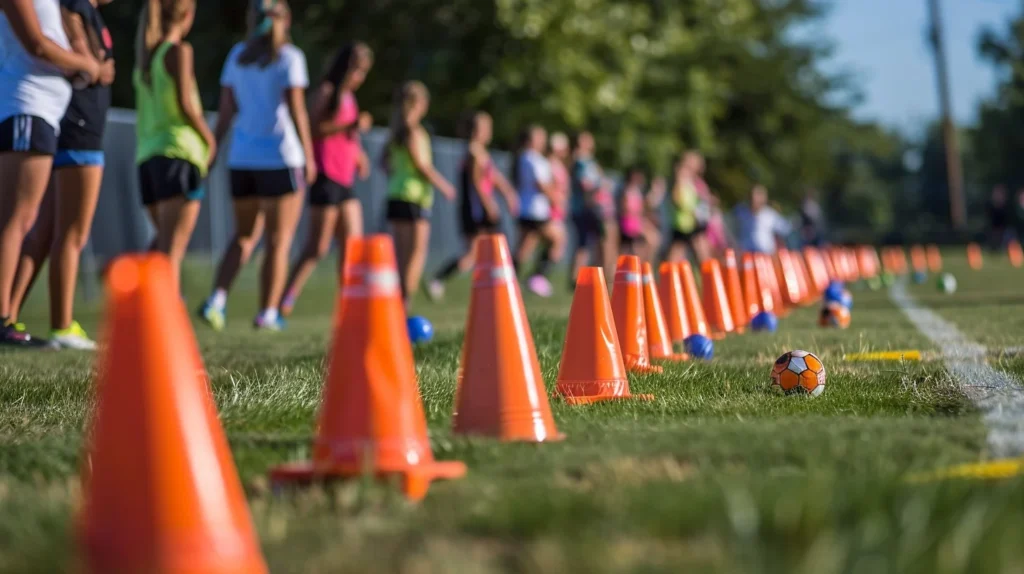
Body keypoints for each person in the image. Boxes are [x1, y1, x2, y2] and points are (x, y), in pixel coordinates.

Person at [199, 0, 314, 332]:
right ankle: (267, 313)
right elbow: (297, 110)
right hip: (281, 159)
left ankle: (217, 300)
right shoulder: (291, 58)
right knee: (279, 241)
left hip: (243, 160)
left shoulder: (236, 55)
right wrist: (309, 155)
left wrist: (214, 150)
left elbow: (224, 113)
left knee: (244, 235)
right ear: (286, 19)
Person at [7, 0, 115, 349]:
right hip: (36, 109)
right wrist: (88, 65)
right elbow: (39, 44)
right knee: (26, 221)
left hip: (49, 115)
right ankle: (22, 321)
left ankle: (7, 317)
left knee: (31, 224)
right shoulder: (67, 5)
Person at [278, 42, 373, 317]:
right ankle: (284, 300)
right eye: (357, 70)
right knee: (317, 247)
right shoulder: (326, 92)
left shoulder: (350, 100)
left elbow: (348, 139)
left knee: (353, 246)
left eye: (364, 72)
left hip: (345, 179)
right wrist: (349, 126)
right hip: (325, 175)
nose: (360, 77)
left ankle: (349, 307)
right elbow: (311, 128)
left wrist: (359, 156)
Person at [133, 0, 214, 298]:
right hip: (178, 154)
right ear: (187, 15)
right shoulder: (180, 51)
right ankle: (166, 329)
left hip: (148, 160)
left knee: (161, 247)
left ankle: (143, 311)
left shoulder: (146, 59)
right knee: (171, 253)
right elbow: (186, 104)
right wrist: (210, 138)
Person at [425, 110, 516, 300]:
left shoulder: (481, 152)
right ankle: (439, 279)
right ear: (478, 130)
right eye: (487, 127)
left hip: (480, 209)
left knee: (487, 250)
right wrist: (489, 204)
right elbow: (477, 183)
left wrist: (508, 193)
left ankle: (493, 288)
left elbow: (494, 178)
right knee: (474, 252)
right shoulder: (474, 152)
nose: (490, 132)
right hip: (476, 210)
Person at [383, 81, 455, 309]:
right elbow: (421, 165)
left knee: (401, 256)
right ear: (419, 103)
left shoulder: (395, 132)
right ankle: (405, 302)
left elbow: (385, 163)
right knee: (416, 255)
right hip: (414, 198)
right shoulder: (414, 132)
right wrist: (444, 186)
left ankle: (398, 303)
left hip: (395, 194)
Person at [512, 125, 559, 297]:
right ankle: (537, 277)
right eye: (540, 137)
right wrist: (555, 198)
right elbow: (541, 184)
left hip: (530, 209)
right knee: (557, 239)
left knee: (524, 249)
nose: (543, 140)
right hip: (534, 211)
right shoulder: (531, 158)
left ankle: (509, 282)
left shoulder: (528, 158)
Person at [568, 131, 604, 289]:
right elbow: (586, 184)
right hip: (584, 208)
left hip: (590, 208)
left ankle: (586, 276)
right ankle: (576, 278)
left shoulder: (589, 161)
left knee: (588, 244)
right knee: (584, 244)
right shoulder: (580, 161)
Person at [665, 151, 712, 263]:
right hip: (684, 222)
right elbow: (676, 199)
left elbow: (702, 199)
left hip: (694, 221)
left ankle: (709, 277)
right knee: (677, 254)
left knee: (701, 251)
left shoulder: (696, 181)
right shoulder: (681, 177)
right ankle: (668, 277)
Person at [733, 184, 791, 255]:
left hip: (766, 255)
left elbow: (786, 230)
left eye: (759, 196)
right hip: (746, 255)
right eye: (753, 196)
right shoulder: (740, 212)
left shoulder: (770, 214)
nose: (755, 199)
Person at [618, 165, 646, 257]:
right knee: (626, 249)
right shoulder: (627, 190)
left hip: (636, 223)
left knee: (635, 248)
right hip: (628, 223)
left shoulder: (637, 191)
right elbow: (625, 208)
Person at [987, 185, 1011, 251]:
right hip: (995, 227)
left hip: (1004, 228)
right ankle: (995, 247)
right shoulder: (992, 207)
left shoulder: (1005, 207)